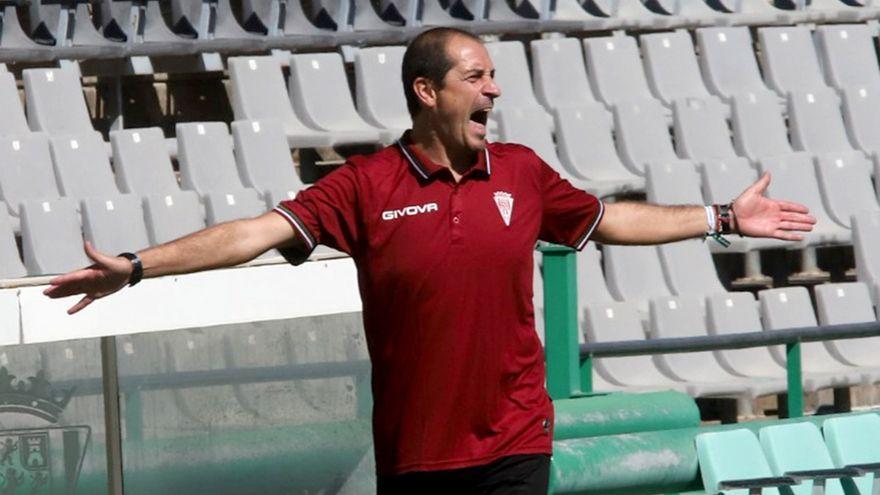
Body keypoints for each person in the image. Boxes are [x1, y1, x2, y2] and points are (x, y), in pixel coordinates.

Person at [44, 27, 815, 495]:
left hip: (515, 437)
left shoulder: (519, 170)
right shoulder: (363, 186)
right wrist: (139, 265)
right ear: (427, 91)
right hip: (417, 453)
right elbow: (253, 233)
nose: (494, 88)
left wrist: (718, 217)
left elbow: (607, 219)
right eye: (476, 77)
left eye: (492, 76)